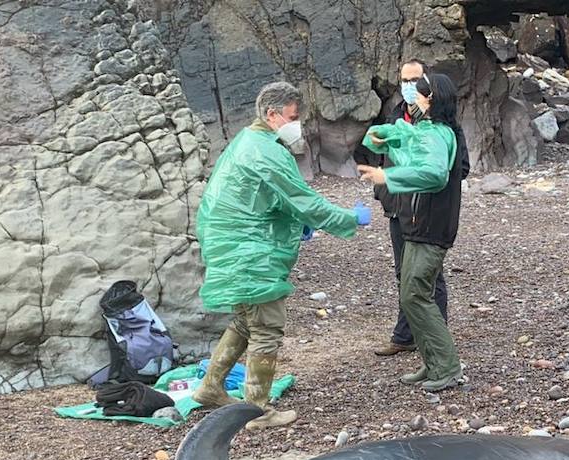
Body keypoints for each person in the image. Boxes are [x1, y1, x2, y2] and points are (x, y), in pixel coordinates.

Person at [193, 81, 369, 430]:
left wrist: (294, 222)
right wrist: (348, 219)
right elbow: (303, 200)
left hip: (231, 245)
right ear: (271, 114)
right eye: (291, 117)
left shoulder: (248, 142)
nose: (296, 125)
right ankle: (257, 410)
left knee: (246, 321)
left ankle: (210, 388)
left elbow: (265, 198)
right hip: (249, 253)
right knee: (267, 329)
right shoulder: (266, 152)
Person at [358, 72, 465, 393]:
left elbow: (432, 174)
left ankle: (447, 367)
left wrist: (386, 177)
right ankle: (433, 363)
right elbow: (410, 148)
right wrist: (383, 136)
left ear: (431, 99)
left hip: (430, 226)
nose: (413, 99)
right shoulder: (434, 130)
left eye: (419, 94)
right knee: (413, 293)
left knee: (415, 295)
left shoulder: (437, 134)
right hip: (422, 225)